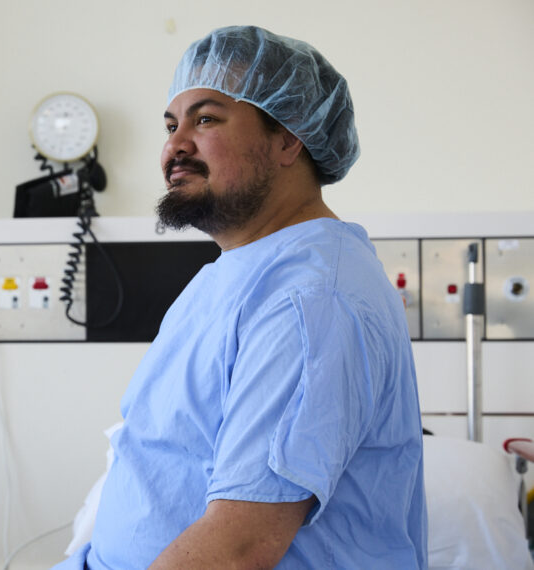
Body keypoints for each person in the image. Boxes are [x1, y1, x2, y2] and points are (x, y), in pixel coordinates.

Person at [54, 25, 427, 568]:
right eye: (170, 124)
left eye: (206, 119)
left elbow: (238, 547)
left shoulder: (310, 300)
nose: (175, 145)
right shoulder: (239, 272)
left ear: (288, 137)